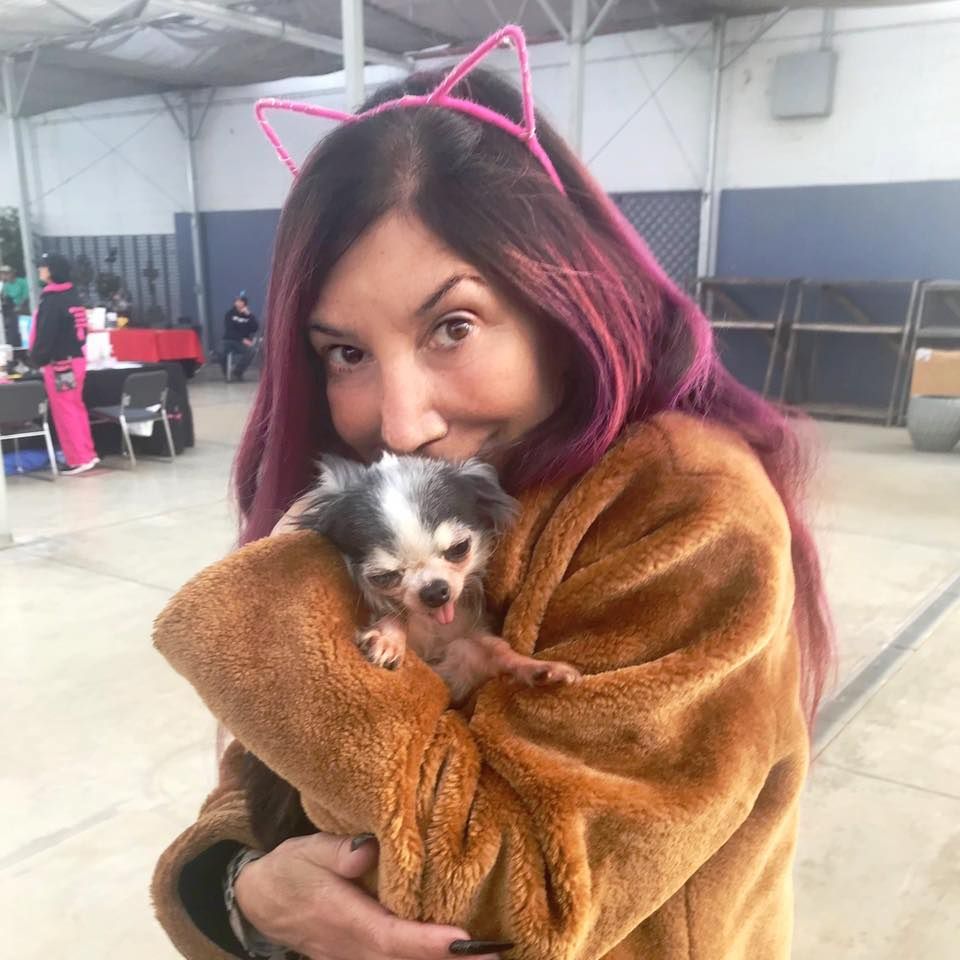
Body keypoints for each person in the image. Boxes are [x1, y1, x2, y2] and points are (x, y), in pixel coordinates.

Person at [151, 27, 833, 960]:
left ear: (562, 297)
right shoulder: (393, 501)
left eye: (453, 326)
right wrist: (239, 890)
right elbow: (265, 783)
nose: (401, 423)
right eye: (346, 352)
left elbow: (523, 900)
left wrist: (266, 622)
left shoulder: (688, 510)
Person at [30, 253, 99, 475]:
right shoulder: (72, 296)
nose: (40, 270)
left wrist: (36, 360)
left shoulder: (52, 300)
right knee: (75, 407)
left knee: (65, 410)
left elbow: (46, 335)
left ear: (52, 270)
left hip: (60, 365)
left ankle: (78, 458)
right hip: (76, 360)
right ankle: (87, 453)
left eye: (43, 266)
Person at [221, 293, 258, 381]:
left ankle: (237, 372)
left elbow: (255, 328)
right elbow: (230, 330)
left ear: (245, 303)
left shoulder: (248, 316)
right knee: (221, 352)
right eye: (236, 301)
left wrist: (249, 315)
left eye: (240, 301)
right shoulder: (229, 314)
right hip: (229, 340)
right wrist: (242, 339)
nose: (238, 302)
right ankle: (226, 373)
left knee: (252, 350)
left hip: (241, 343)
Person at [1, 264, 29, 347]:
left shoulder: (22, 282)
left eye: (7, 273)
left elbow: (26, 297)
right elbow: (5, 299)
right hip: (10, 310)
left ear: (13, 273)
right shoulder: (5, 285)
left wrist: (19, 307)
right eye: (3, 274)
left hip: (23, 309)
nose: (5, 275)